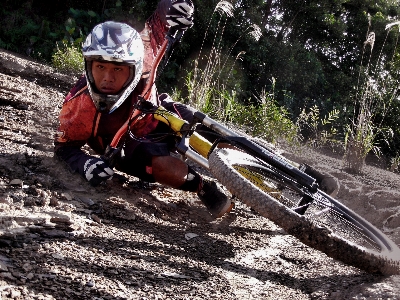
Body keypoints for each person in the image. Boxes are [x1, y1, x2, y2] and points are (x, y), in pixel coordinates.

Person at [54, 0, 234, 218]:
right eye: (100, 67)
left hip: (159, 110)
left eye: (118, 69)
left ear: (134, 68)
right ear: (89, 65)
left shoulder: (143, 54)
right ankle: (203, 187)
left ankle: (260, 166)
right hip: (128, 143)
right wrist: (85, 165)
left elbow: (160, 21)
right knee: (165, 167)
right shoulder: (79, 104)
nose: (107, 79)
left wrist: (176, 8)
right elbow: (64, 148)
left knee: (222, 136)